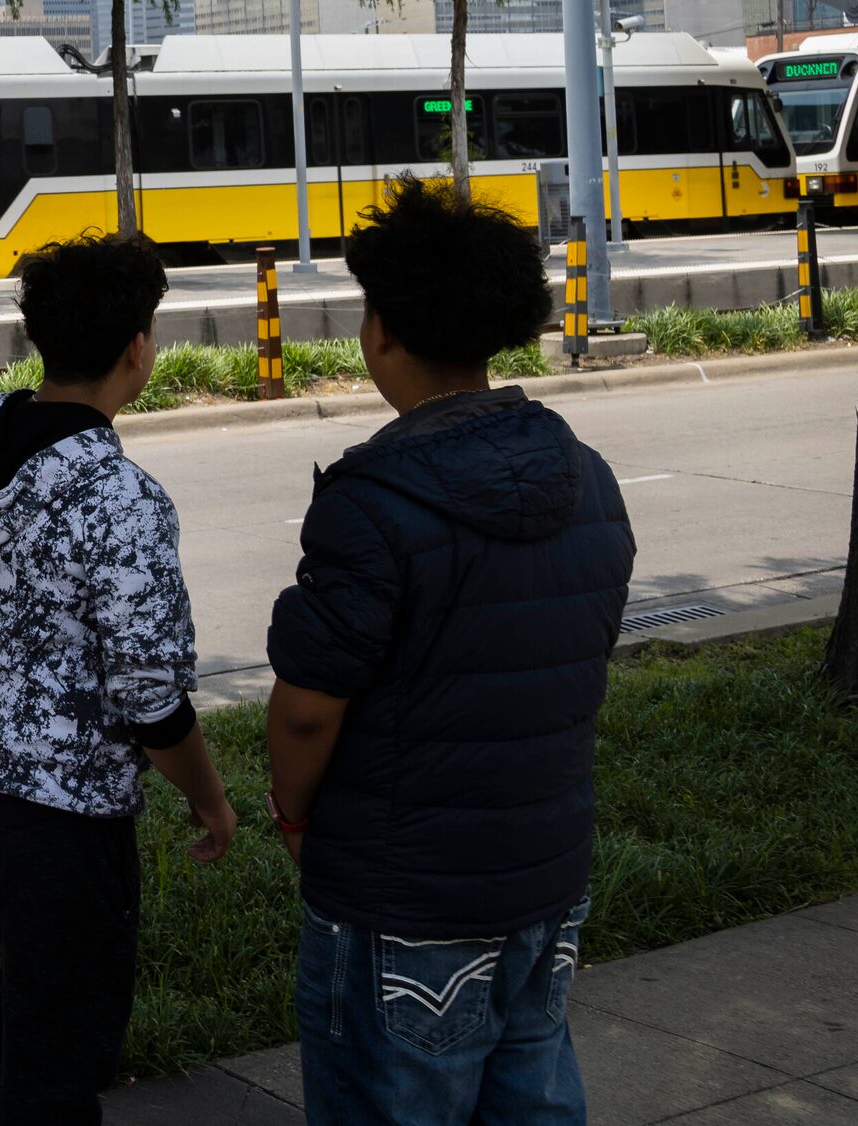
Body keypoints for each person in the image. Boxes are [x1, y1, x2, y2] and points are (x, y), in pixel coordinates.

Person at [266, 179, 634, 1125]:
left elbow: (308, 708)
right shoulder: (587, 476)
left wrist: (297, 815)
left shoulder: (370, 504)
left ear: (381, 332)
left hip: (403, 901)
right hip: (544, 880)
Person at [0, 232, 235, 1126]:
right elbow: (150, 695)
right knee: (63, 1045)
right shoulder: (121, 498)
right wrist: (211, 800)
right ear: (137, 348)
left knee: (28, 999)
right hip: (63, 814)